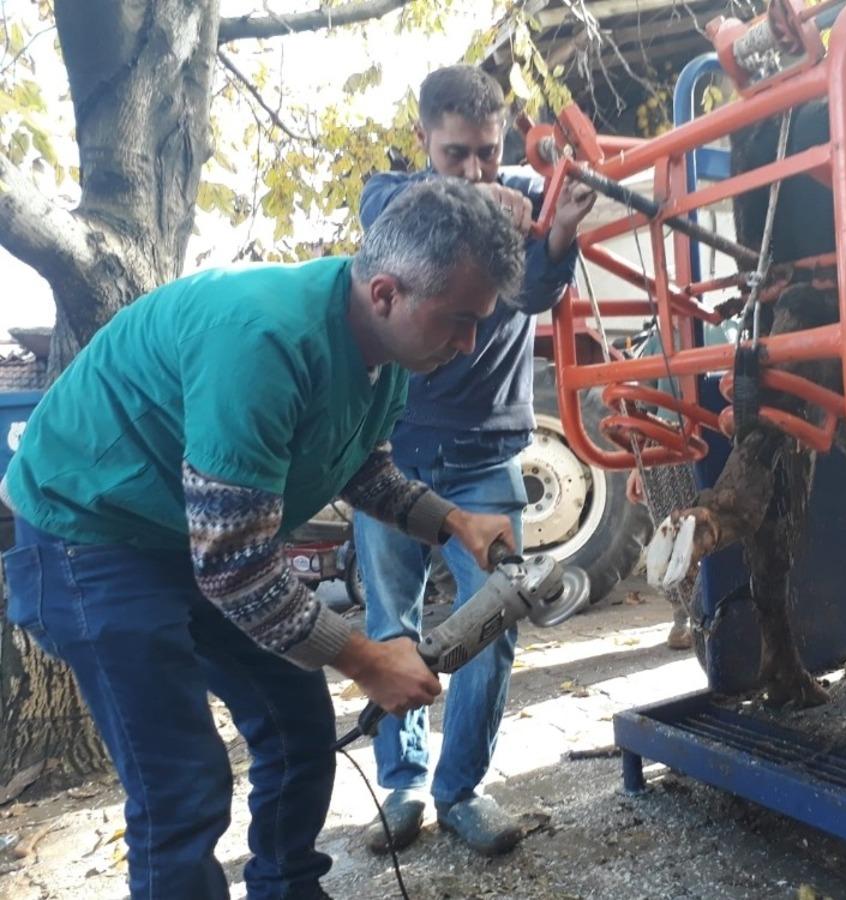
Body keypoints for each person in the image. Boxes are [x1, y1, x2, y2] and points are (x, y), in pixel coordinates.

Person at [0, 178, 524, 900]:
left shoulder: (389, 354)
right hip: (89, 532)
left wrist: (453, 521)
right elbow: (239, 573)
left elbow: (361, 469)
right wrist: (367, 659)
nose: (468, 346)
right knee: (180, 784)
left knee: (297, 727)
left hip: (190, 531)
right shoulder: (264, 339)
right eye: (459, 321)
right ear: (385, 293)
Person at [353, 64, 595, 857]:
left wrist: (555, 235)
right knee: (392, 626)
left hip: (489, 450)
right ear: (424, 139)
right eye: (456, 154)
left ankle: (461, 789)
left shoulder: (525, 192)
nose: (477, 170)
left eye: (488, 154)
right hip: (396, 453)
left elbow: (529, 294)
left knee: (496, 623)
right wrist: (479, 207)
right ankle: (403, 787)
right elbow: (395, 216)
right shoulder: (391, 197)